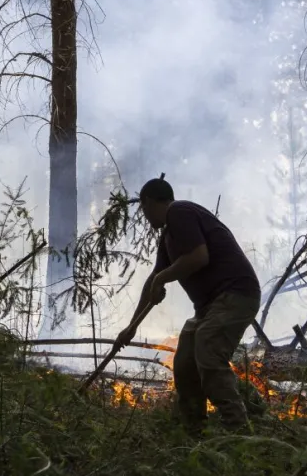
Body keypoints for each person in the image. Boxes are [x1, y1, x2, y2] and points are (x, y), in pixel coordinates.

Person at [115, 177, 261, 433]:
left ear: (149, 202)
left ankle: (238, 431)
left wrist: (162, 278)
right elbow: (153, 281)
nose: (146, 217)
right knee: (184, 361)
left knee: (208, 348)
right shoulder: (168, 236)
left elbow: (198, 257)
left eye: (144, 210)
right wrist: (132, 326)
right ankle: (193, 430)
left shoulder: (180, 212)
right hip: (209, 307)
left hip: (235, 294)